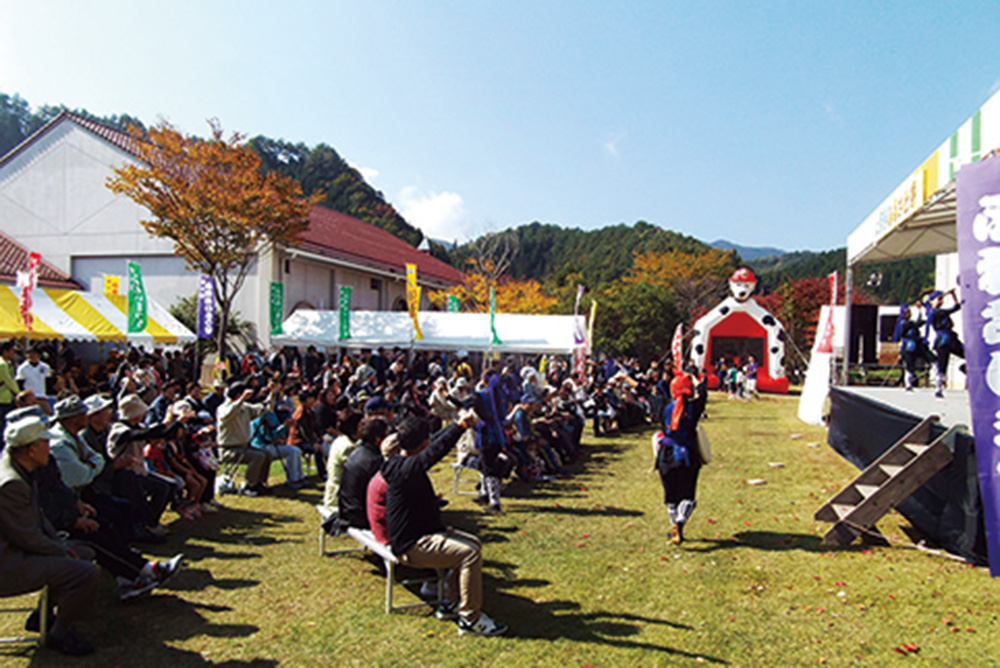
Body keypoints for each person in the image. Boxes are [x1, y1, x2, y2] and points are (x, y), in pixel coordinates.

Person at [382, 412, 507, 636]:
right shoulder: (408, 468)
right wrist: (459, 427)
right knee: (468, 553)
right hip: (411, 546)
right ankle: (470, 619)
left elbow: (433, 442)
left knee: (473, 544)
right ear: (422, 443)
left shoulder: (397, 461)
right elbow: (434, 451)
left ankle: (450, 602)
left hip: (418, 535)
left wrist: (454, 428)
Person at [0, 414, 100, 656]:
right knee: (84, 571)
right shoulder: (11, 484)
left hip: (18, 550)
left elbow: (37, 519)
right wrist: (61, 550)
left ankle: (42, 617)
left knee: (85, 553)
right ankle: (60, 634)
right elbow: (26, 536)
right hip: (6, 563)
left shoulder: (21, 469)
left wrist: (60, 545)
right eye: (44, 443)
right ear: (31, 450)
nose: (49, 447)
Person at [654, 373, 705, 546]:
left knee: (670, 497)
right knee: (688, 496)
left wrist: (624, 377)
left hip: (666, 455)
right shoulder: (694, 407)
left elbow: (646, 393)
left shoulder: (663, 406)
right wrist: (695, 381)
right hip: (687, 456)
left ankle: (674, 525)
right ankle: (680, 523)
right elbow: (703, 392)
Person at [216, 381, 277, 496]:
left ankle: (260, 482)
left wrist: (272, 394)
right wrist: (242, 399)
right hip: (229, 449)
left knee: (267, 454)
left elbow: (264, 408)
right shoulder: (223, 408)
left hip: (244, 446)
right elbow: (230, 413)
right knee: (257, 457)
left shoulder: (245, 407)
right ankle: (249, 485)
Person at [337, 416, 389, 529]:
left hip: (347, 511)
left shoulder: (356, 453)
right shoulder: (375, 461)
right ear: (378, 440)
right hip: (361, 517)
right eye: (387, 435)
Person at [925, 288, 966, 398]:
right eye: (938, 300)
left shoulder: (939, 312)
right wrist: (954, 297)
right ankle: (938, 388)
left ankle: (965, 369)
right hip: (942, 342)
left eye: (941, 300)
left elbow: (956, 307)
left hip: (950, 339)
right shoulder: (934, 312)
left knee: (969, 355)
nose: (940, 302)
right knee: (942, 366)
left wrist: (953, 296)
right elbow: (955, 308)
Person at [16, 345, 52, 414]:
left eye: (34, 353)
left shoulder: (45, 367)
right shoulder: (22, 368)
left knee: (47, 415)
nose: (31, 355)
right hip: (29, 399)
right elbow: (20, 383)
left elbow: (48, 381)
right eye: (29, 353)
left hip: (42, 396)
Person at [0, 341, 19, 439]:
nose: (14, 353)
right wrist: (19, 393)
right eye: (12, 351)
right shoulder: (2, 365)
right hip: (3, 398)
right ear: (5, 351)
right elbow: (9, 381)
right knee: (3, 426)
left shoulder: (6, 363)